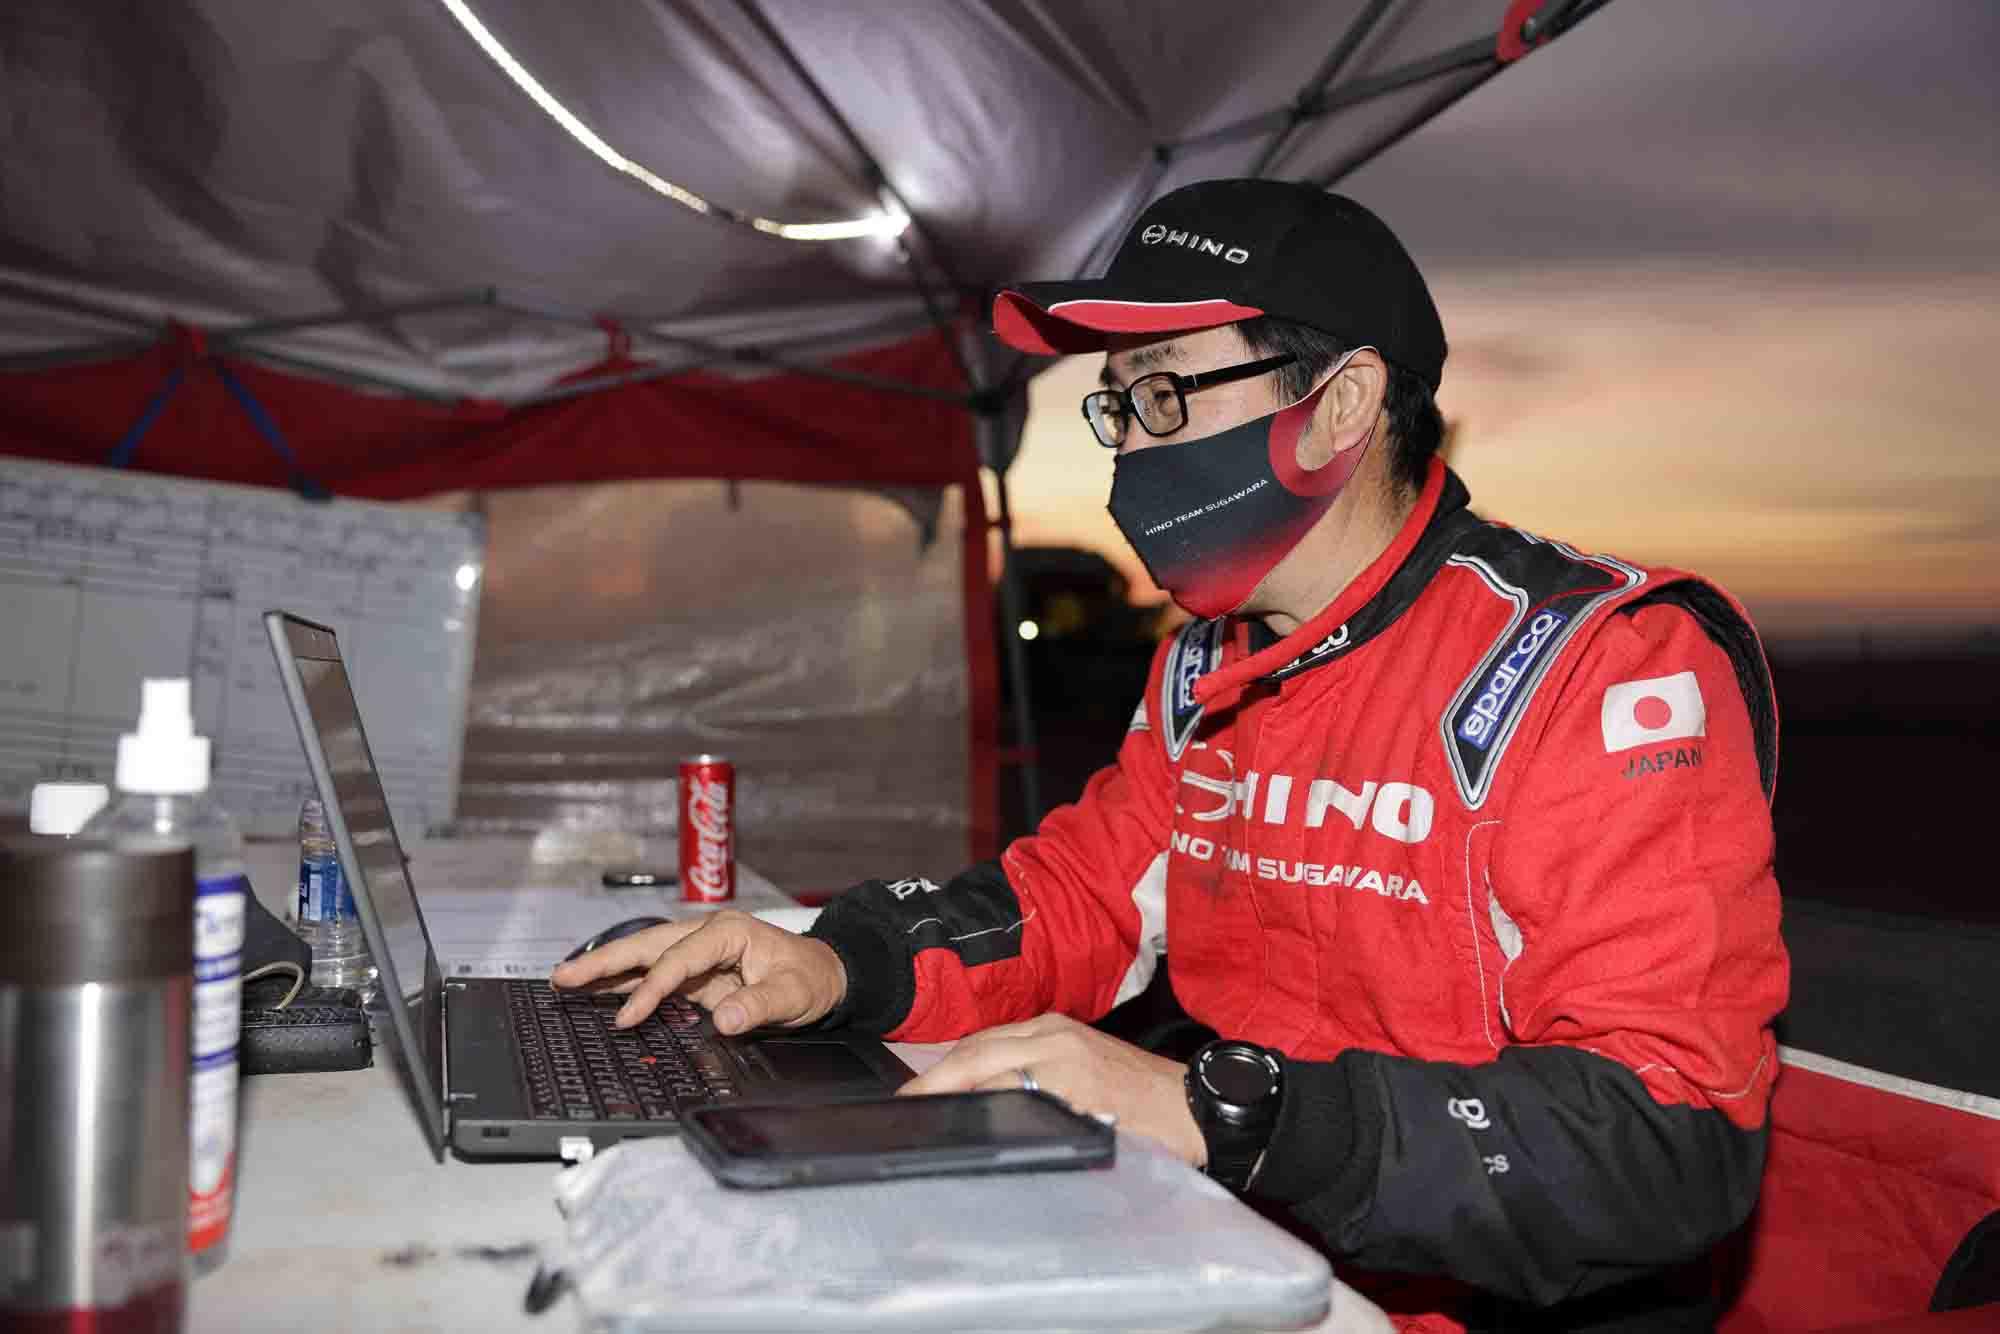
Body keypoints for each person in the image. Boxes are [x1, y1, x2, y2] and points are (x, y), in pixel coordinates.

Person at [555, 179, 1789, 1332]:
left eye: (1163, 394)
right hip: (1222, 1244)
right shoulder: (1209, 660)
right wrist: (834, 961)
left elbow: (1666, 1138)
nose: (1128, 451)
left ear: (1343, 404)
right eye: (1116, 405)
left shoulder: (1598, 661)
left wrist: (1217, 1107)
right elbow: (1080, 897)